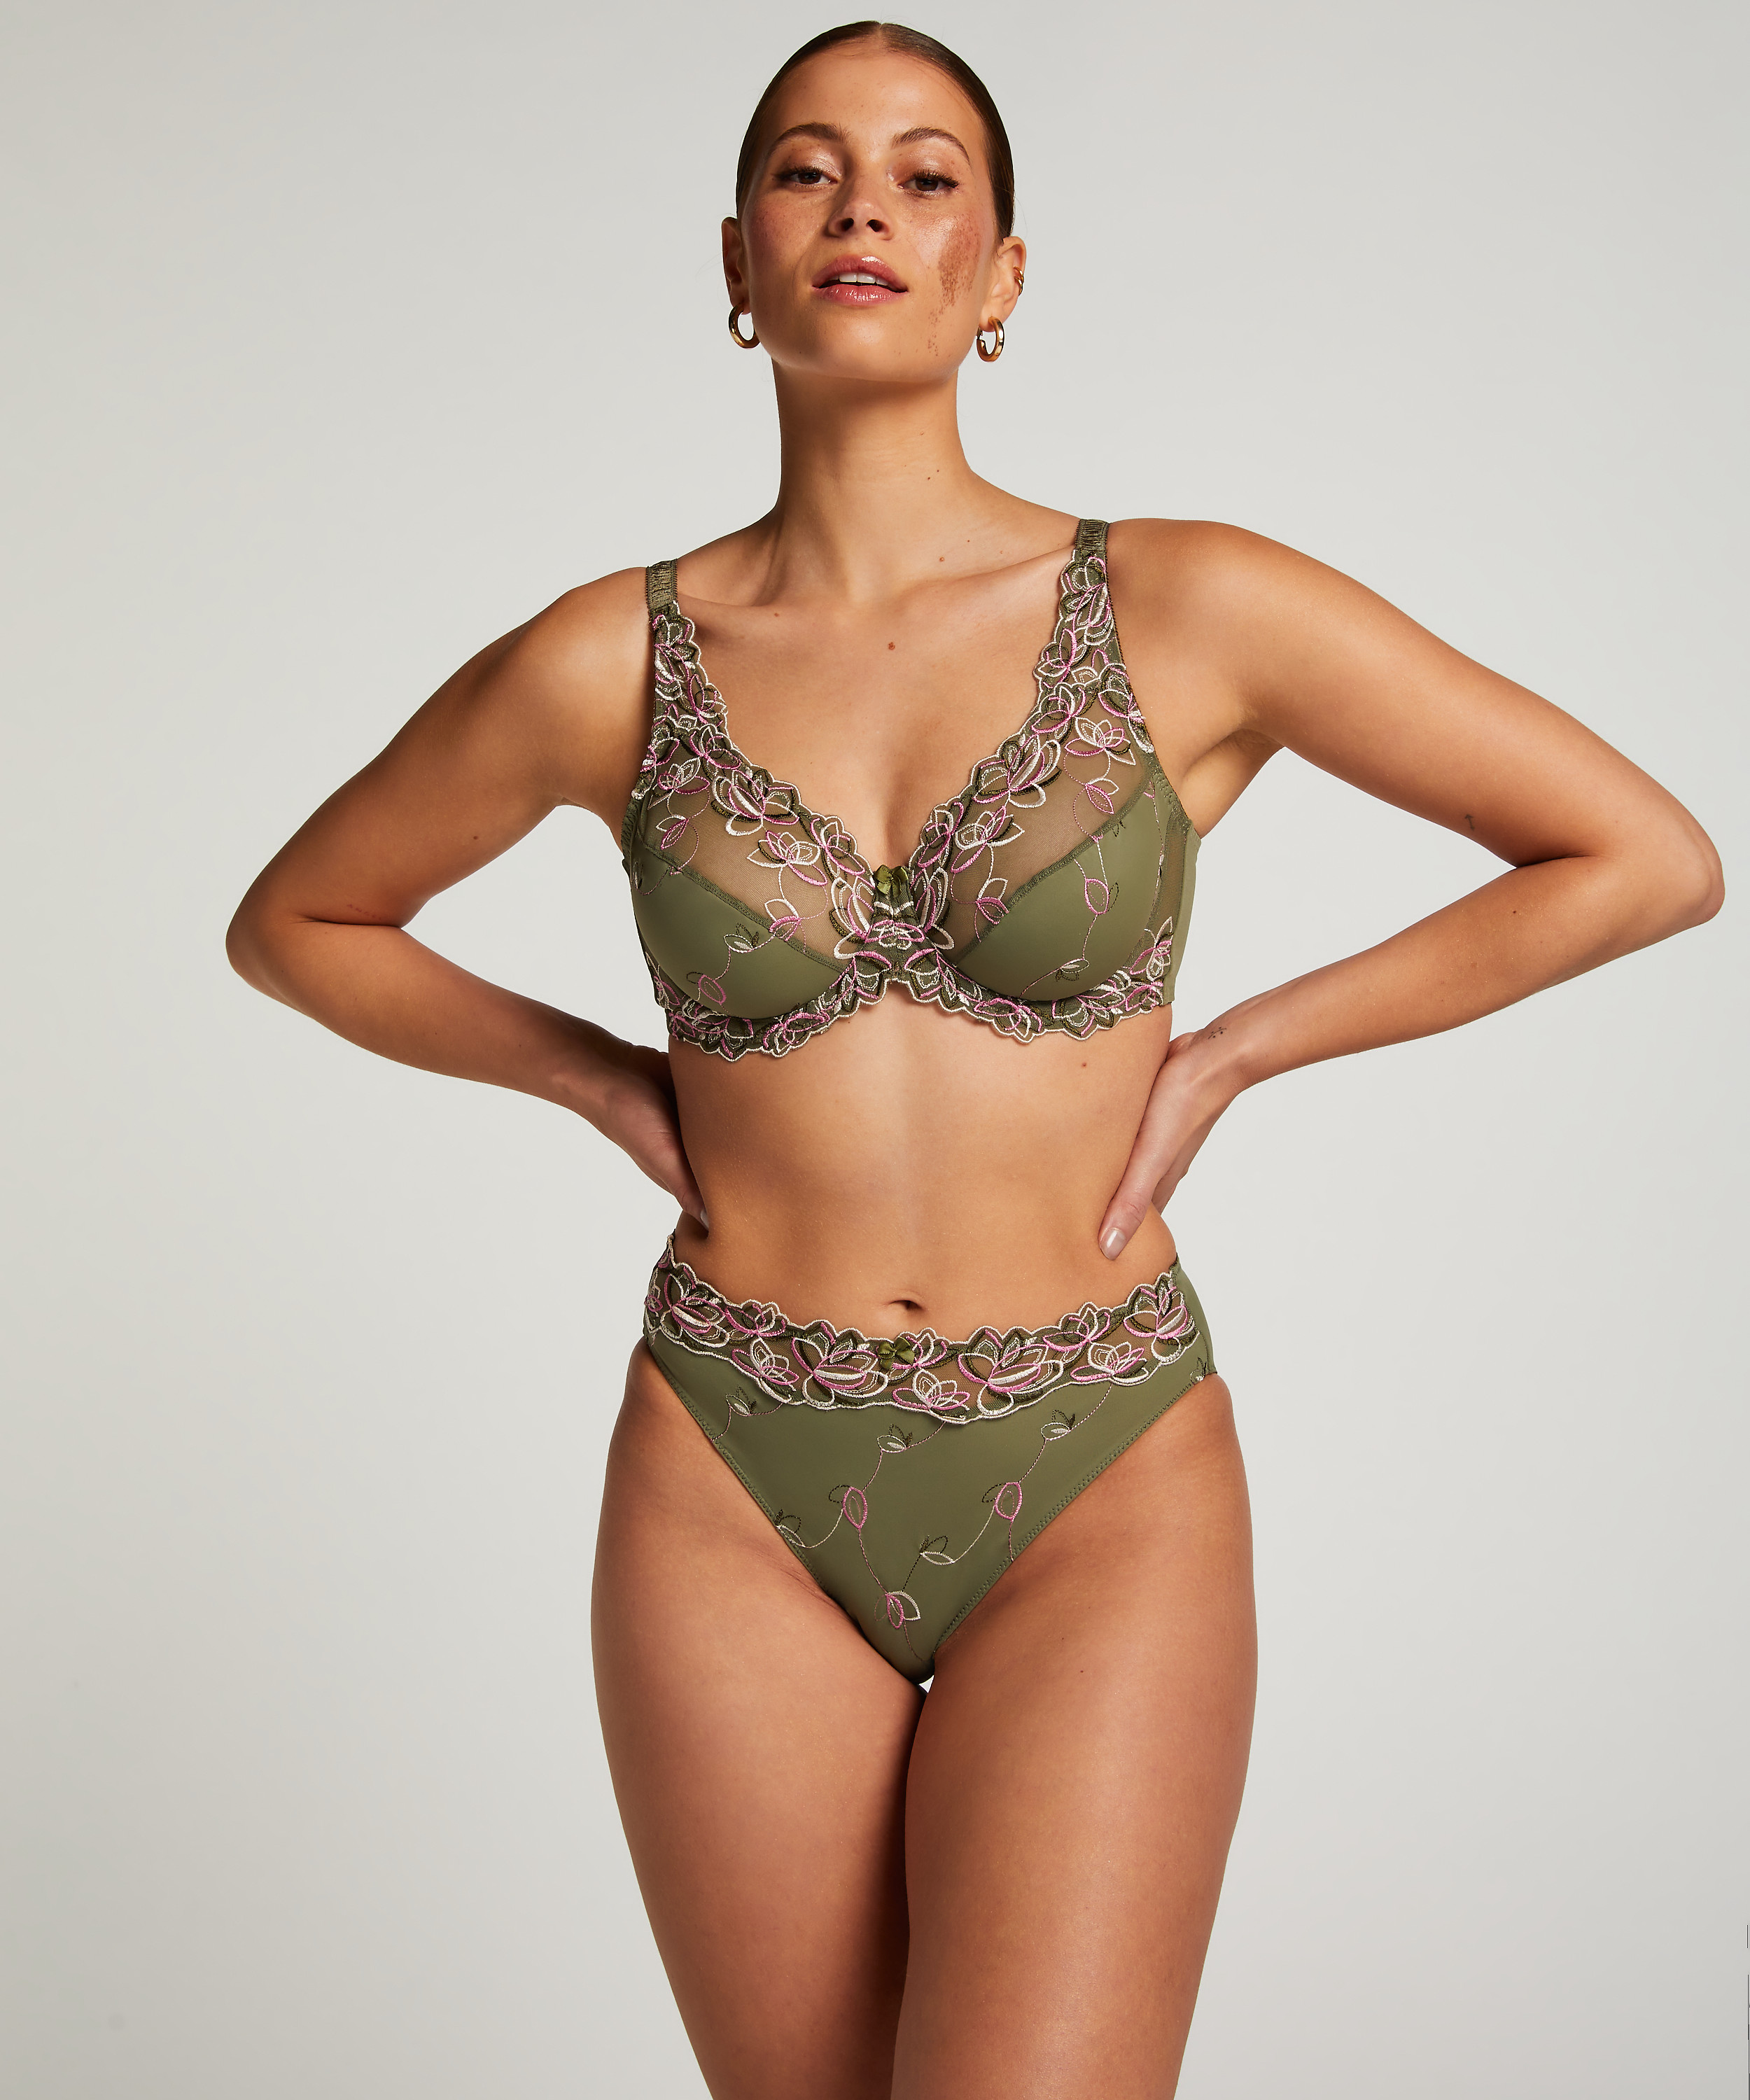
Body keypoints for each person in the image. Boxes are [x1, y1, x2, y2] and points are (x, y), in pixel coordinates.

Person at [225, 20, 1723, 2097]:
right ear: (736, 259)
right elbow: (297, 922)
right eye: (805, 168)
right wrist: (595, 1076)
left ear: (1002, 273)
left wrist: (1236, 1054)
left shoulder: (1190, 602)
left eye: (928, 176)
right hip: (732, 1466)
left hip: (1098, 1464)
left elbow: (1642, 858)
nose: (864, 206)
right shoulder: (608, 658)